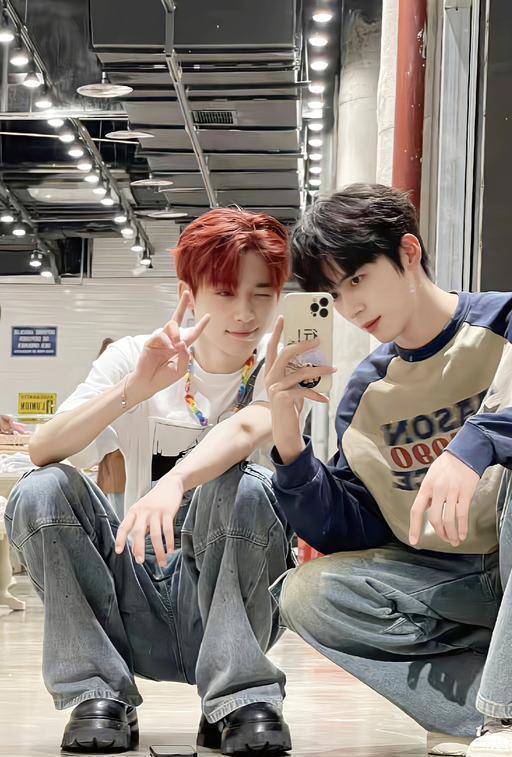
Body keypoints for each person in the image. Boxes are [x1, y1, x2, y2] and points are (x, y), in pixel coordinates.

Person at [264, 184, 512, 757]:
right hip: (465, 587)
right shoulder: (366, 395)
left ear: (408, 252)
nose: (350, 307)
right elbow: (352, 531)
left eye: (358, 279)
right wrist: (289, 441)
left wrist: (481, 440)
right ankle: (490, 719)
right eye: (334, 295)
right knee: (306, 593)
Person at [4, 208, 304, 756]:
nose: (245, 312)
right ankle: (98, 692)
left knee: (245, 485)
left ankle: (238, 697)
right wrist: (134, 389)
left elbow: (247, 427)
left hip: (226, 607)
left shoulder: (281, 368)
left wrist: (175, 482)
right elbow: (43, 449)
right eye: (225, 293)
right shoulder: (135, 356)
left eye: (261, 294)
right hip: (130, 591)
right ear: (190, 294)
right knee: (40, 489)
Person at [95, 339, 127, 520]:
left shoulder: (119, 397)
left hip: (118, 477)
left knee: (119, 525)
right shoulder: (107, 397)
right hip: (111, 477)